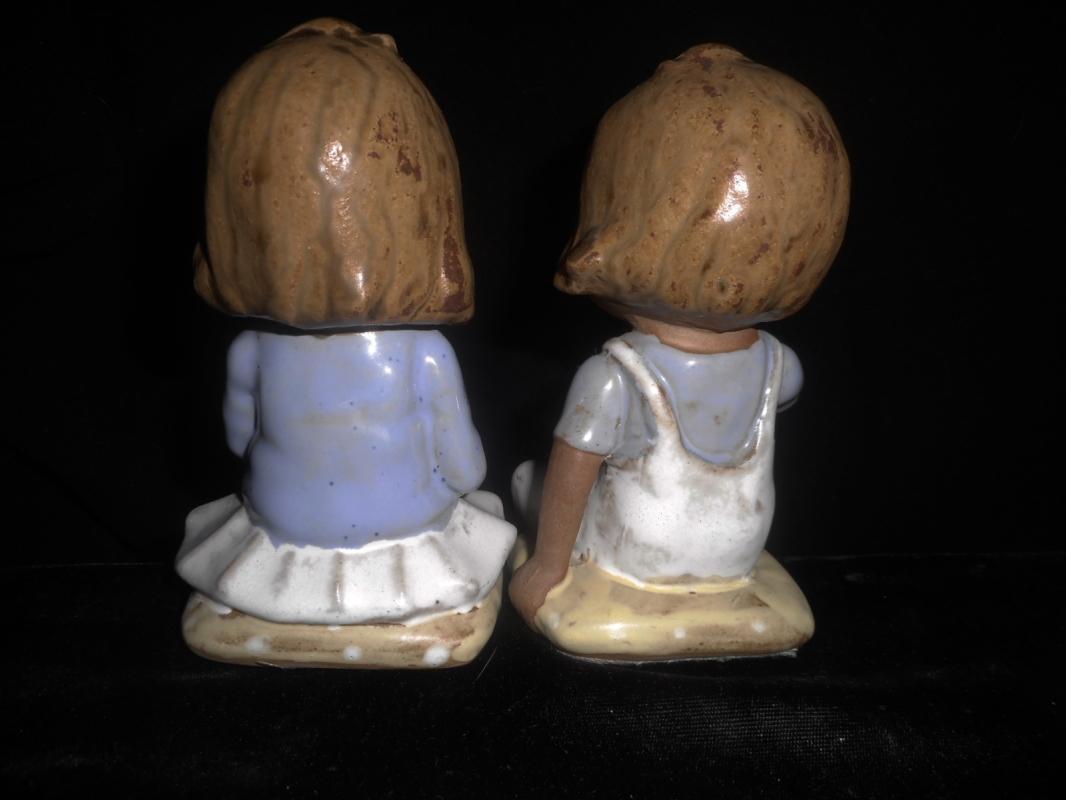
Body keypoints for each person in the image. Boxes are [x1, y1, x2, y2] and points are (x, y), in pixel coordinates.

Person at [176, 20, 514, 666]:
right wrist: (465, 485)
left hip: (283, 523)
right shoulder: (422, 354)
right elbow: (463, 462)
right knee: (469, 516)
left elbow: (239, 441)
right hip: (407, 524)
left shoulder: (250, 350)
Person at [509, 44, 850, 657]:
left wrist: (546, 568)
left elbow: (572, 474)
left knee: (528, 481)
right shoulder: (783, 366)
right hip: (736, 551)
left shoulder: (613, 376)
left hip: (638, 554)